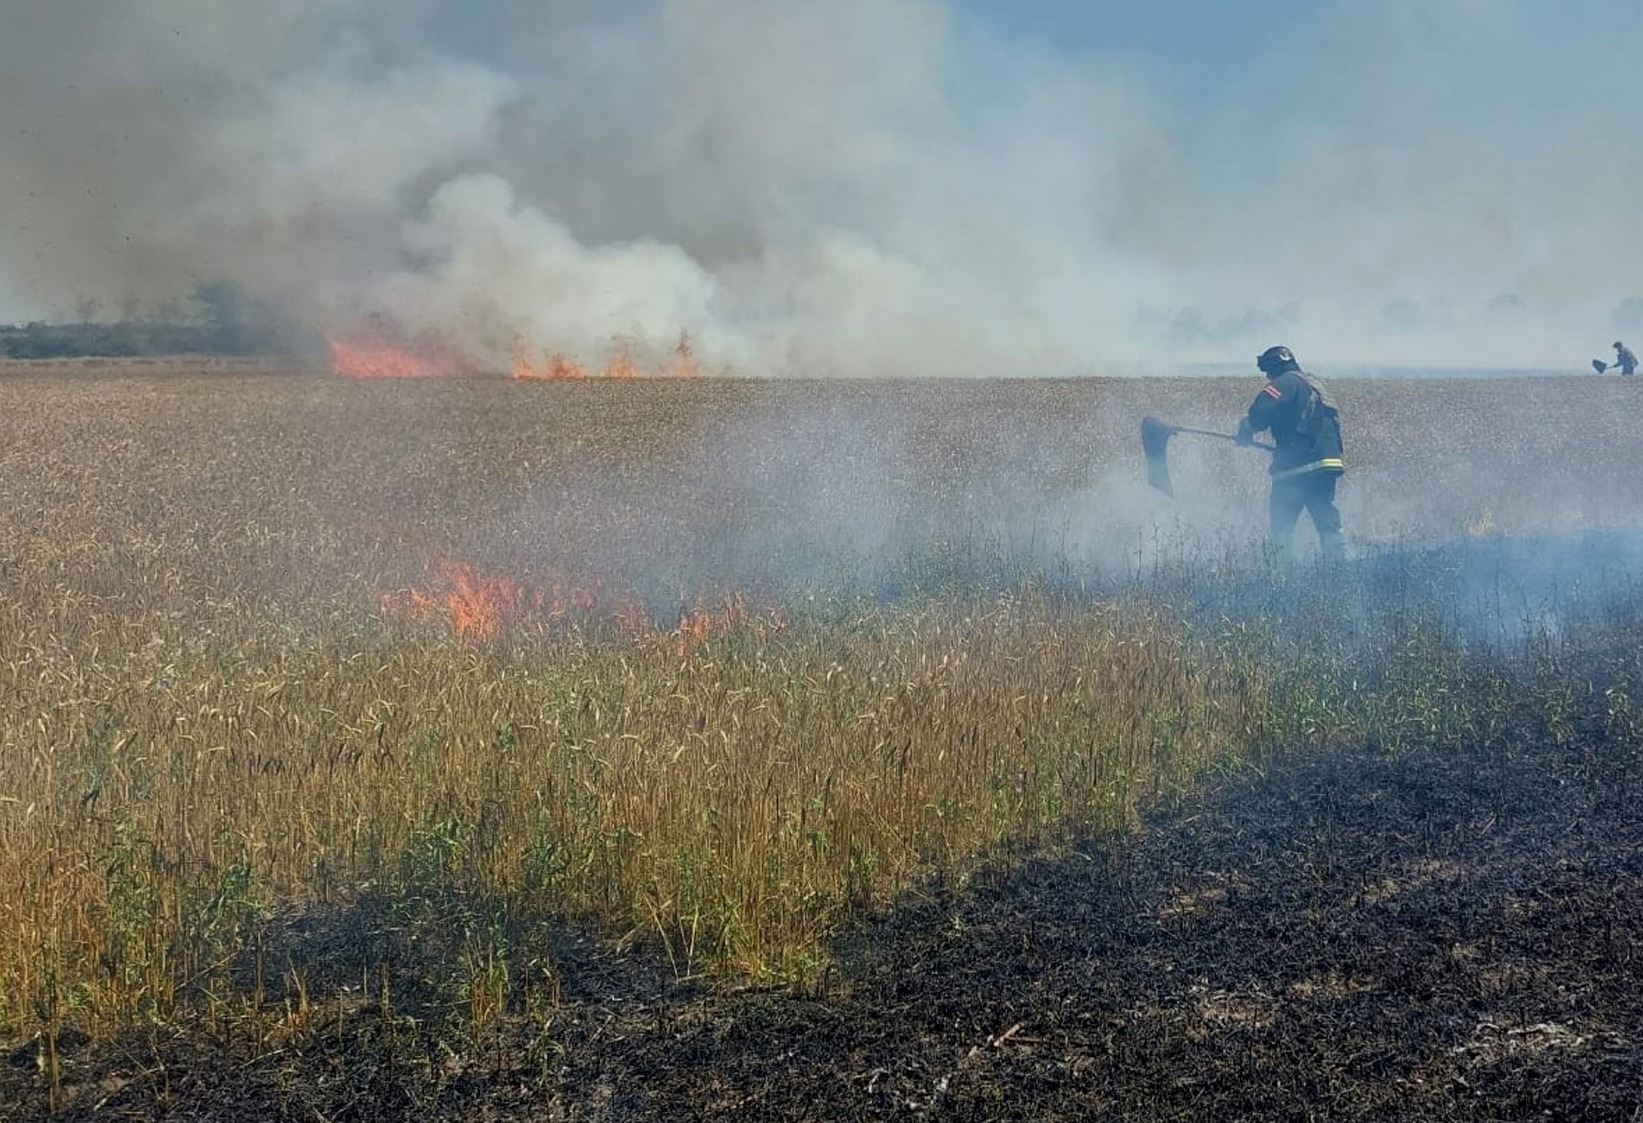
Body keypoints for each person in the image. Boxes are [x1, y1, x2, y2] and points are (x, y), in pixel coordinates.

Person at [1237, 345, 1346, 563]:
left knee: (1282, 525)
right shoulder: (1314, 385)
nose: (1268, 377)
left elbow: (1263, 409)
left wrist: (1247, 428)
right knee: (1326, 520)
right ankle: (1337, 567)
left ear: (1275, 367)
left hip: (1296, 466)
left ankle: (1282, 574)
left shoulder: (1285, 382)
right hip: (1327, 463)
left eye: (1268, 372)